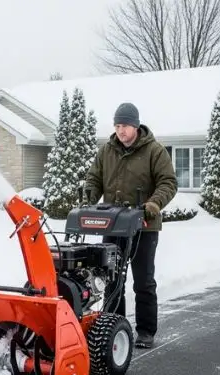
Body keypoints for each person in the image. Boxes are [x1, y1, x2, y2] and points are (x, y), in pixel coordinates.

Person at [84, 102, 177, 348]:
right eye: (117, 125)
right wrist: (89, 197)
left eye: (124, 125)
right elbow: (94, 177)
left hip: (143, 225)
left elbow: (168, 182)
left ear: (135, 126)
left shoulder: (154, 151)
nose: (120, 130)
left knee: (143, 281)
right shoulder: (106, 150)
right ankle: (115, 328)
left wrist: (153, 204)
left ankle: (146, 331)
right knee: (112, 279)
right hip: (113, 224)